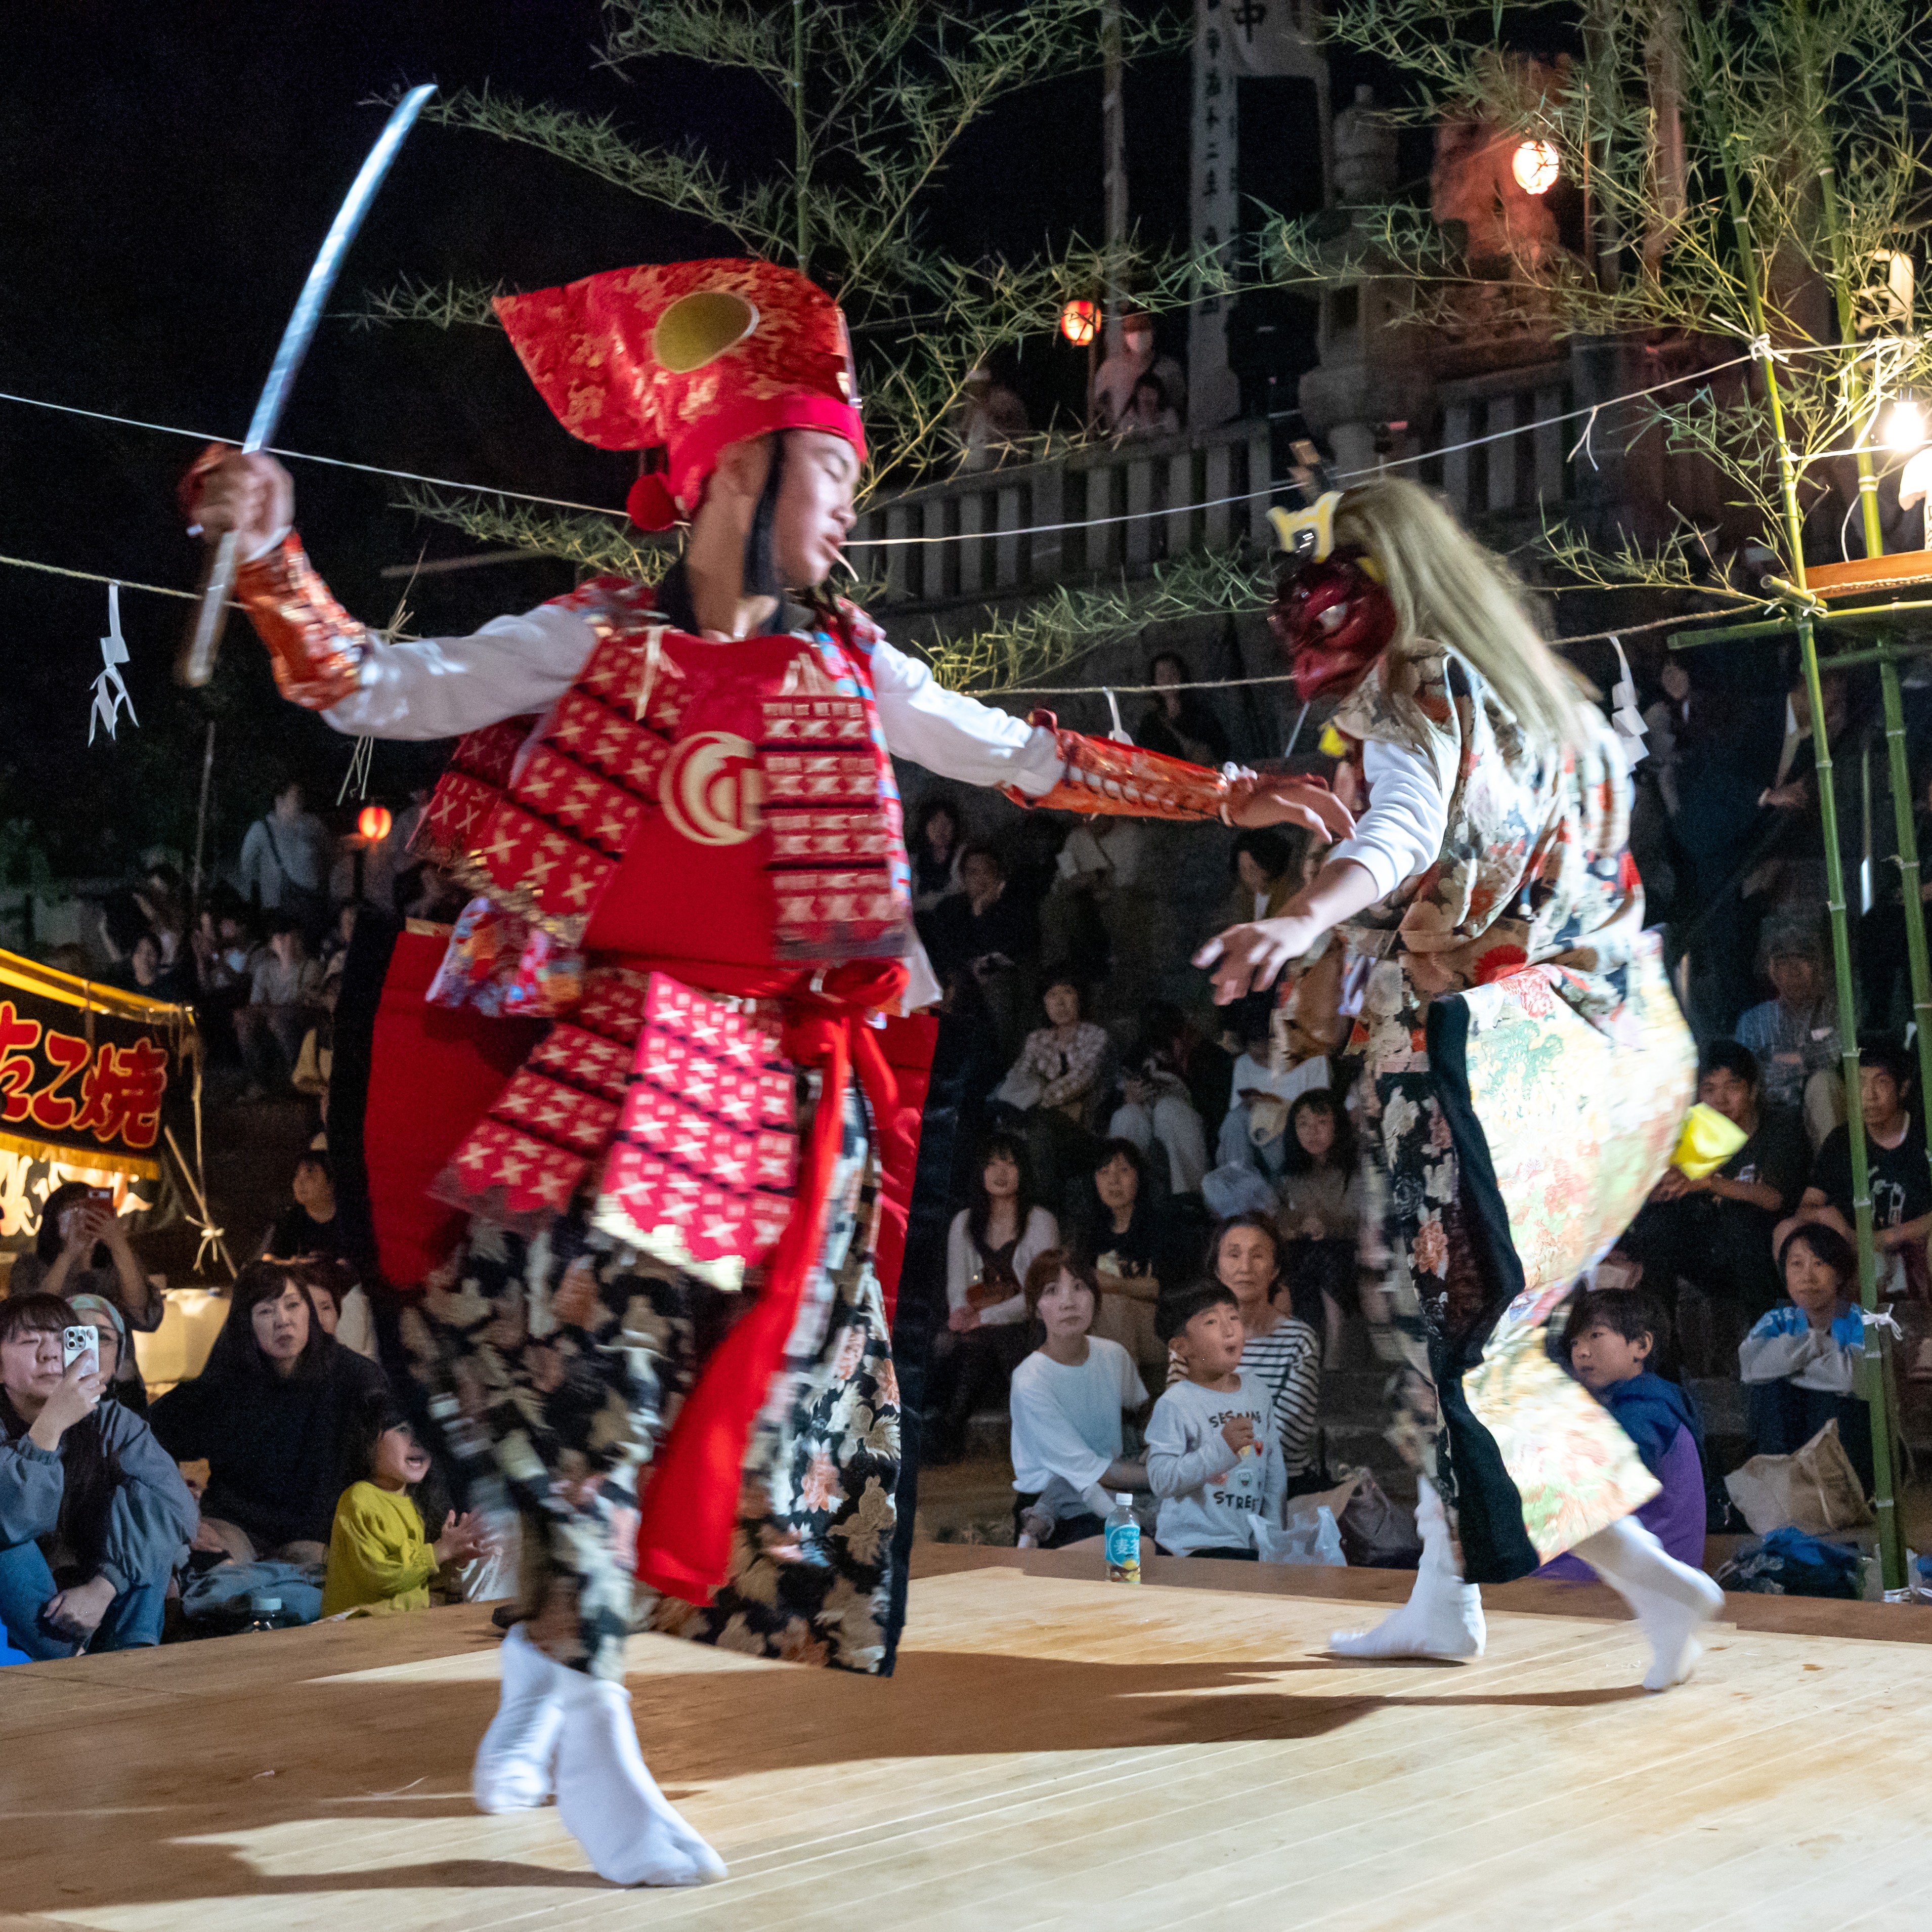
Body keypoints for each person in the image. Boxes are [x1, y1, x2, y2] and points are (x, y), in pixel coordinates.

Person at [184, 253, 1337, 1886]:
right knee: (601, 1390)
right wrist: (268, 549)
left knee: (745, 1431)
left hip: (792, 1100)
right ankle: (591, 1724)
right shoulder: (589, 638)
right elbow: (369, 681)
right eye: (833, 471)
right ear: (737, 468)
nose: (852, 508)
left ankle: (546, 1668)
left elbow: (1026, 757)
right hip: (624, 1072)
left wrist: (1222, 793)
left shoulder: (853, 663)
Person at [1198, 477, 1723, 1690]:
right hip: (1575, 1038)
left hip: (1463, 1058)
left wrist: (1304, 915)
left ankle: (1649, 1577)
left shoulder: (1416, 695)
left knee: (1460, 1350)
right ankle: (1447, 1591)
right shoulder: (1541, 699)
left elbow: (1400, 828)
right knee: (1445, 1340)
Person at [148, 1260, 388, 1565]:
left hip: (322, 1532)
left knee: (313, 1565)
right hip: (237, 1526)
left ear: (309, 1312)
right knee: (208, 1563)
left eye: (293, 1305)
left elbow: (396, 1446)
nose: (283, 1321)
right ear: (246, 1322)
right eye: (266, 1311)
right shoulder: (224, 1382)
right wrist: (181, 1511)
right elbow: (145, 1439)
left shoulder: (355, 1377)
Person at [0, 1293, 198, 1657]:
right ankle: (71, 1658)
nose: (50, 1354)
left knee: (149, 1510)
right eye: (29, 1341)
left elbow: (177, 1508)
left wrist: (104, 1587)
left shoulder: (112, 1421)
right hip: (30, 1606)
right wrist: (50, 1427)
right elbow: (13, 1520)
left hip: (103, 1588)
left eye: (63, 1339)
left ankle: (132, 1657)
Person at [1619, 1040, 1809, 1372]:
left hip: (1763, 1255)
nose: (1720, 1100)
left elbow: (1774, 1198)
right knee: (1658, 1227)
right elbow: (1661, 1196)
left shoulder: (1778, 1127)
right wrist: (1660, 1186)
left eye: (1731, 1087)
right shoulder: (1696, 1134)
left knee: (1740, 1218)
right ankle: (1663, 1356)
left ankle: (1766, 1352)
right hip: (1712, 1256)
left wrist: (1711, 1182)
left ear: (1752, 1090)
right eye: (1709, 1089)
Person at [1540, 1287, 1708, 1578]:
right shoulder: (1654, 1400)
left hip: (1648, 1574)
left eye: (1596, 1335)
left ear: (1641, 1346)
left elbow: (1597, 1488)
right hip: (1658, 1567)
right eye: (1575, 1342)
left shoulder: (1645, 1410)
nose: (1581, 1351)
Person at [929, 1136, 1060, 1461]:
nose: (1001, 1172)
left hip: (1029, 1322)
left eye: (1011, 1164)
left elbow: (1039, 1294)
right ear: (980, 1172)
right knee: (971, 1342)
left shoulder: (1041, 1221)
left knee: (998, 1338)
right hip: (980, 1326)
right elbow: (957, 1286)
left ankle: (951, 1428)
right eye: (992, 1164)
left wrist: (983, 1318)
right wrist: (961, 1313)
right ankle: (1028, 1434)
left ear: (1024, 1172)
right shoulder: (963, 1222)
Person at [1010, 1251, 1148, 1549]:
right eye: (1052, 1291)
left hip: (1113, 1488)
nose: (1068, 1302)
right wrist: (1168, 1475)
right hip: (1051, 1505)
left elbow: (1141, 1410)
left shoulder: (1113, 1355)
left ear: (1095, 1298)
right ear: (1036, 1309)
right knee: (1137, 1550)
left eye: (1079, 1287)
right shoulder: (1030, 1380)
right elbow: (1090, 1472)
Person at [1776, 1040, 1932, 1302]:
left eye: (1881, 1083)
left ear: (1903, 1088)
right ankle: (1817, 1322)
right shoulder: (1841, 1141)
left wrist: (1885, 1238)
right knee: (1787, 1229)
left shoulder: (1924, 1135)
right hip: (1858, 1251)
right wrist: (1830, 1218)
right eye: (1860, 1083)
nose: (1869, 1095)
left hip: (1915, 1247)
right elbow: (1807, 1207)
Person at [1146, 1282, 1286, 1558]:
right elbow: (1161, 1479)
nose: (1229, 1329)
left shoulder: (1257, 1391)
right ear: (1182, 1346)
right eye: (1211, 1321)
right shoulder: (1176, 1403)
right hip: (1191, 1549)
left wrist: (1272, 1540)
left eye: (1234, 1317)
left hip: (1245, 1546)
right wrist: (1222, 1450)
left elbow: (1274, 1471)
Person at [321, 1390, 486, 1617]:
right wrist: (440, 1551)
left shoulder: (413, 1504)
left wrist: (454, 1559)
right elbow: (382, 1578)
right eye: (403, 1430)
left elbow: (413, 1582)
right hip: (356, 1630)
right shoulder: (359, 1498)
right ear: (367, 1441)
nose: (418, 1440)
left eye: (423, 1431)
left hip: (400, 1628)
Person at [1740, 1225, 1873, 1491]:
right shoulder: (1777, 1320)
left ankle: (1830, 1487)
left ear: (1839, 1274)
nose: (1807, 1277)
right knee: (1769, 1390)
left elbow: (1849, 1379)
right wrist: (1817, 1345)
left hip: (1847, 1453)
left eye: (1820, 1263)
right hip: (1790, 1440)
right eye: (1797, 1264)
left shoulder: (1859, 1320)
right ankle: (1781, 1482)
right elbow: (1751, 1369)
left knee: (1823, 1394)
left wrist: (1788, 1363)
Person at [1197, 1213, 1323, 1488]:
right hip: (1210, 1482)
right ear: (1217, 1268)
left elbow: (1285, 1437)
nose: (1245, 1267)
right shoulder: (1196, 1341)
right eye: (1233, 1255)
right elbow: (1183, 1425)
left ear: (1275, 1269)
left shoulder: (1298, 1341)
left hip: (1280, 1485)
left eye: (1258, 1256)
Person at [9, 1184, 165, 1366]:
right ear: (54, 1219)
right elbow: (30, 1321)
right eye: (73, 1210)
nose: (82, 1218)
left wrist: (118, 1244)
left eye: (89, 1209)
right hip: (51, 1368)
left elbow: (144, 1317)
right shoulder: (29, 1265)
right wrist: (68, 1255)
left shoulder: (117, 1263)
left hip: (116, 1374)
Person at [994, 974, 1112, 1203]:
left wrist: (1040, 1101)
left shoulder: (1096, 1036)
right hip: (1038, 1123)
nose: (1060, 1002)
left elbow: (1082, 1079)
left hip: (1083, 1128)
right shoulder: (1037, 1039)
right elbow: (1018, 1078)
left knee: (1040, 1128)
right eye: (1052, 995)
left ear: (1080, 998)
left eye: (1067, 992)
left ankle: (1045, 1210)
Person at [1276, 1090, 1364, 1370]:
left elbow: (1358, 1220)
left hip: (1347, 1249)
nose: (1312, 1132)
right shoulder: (1291, 1174)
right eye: (1303, 1124)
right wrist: (1299, 1225)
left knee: (1326, 1255)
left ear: (1338, 1125)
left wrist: (1327, 1225)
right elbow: (1280, 1219)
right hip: (1305, 1249)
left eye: (1322, 1122)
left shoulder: (1354, 1168)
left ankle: (1336, 1343)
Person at [1074, 1139, 1171, 1381]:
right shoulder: (1090, 1231)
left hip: (1159, 1329)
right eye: (1104, 1172)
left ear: (1140, 1177)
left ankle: (1126, 1393)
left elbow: (1165, 1288)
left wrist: (1114, 1285)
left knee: (1111, 1303)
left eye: (1124, 1171)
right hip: (1105, 1327)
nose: (1113, 1181)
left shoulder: (1161, 1224)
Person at [1734, 930, 1843, 1145]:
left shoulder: (1834, 1012)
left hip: (1820, 1111)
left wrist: (1773, 1058)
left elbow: (1835, 1057)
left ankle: (1831, 1163)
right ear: (1773, 971)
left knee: (1822, 1084)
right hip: (1769, 1115)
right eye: (1784, 963)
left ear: (1815, 968)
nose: (1794, 971)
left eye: (1802, 961)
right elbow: (1743, 1073)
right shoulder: (1753, 1021)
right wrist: (1807, 1058)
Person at [1106, 1013, 1211, 1198]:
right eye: (1158, 1047)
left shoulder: (1206, 1055)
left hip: (1183, 1113)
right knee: (1127, 1116)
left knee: (1168, 1110)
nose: (1163, 1052)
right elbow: (1110, 1104)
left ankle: (1190, 1201)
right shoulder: (1137, 1054)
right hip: (1144, 1111)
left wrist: (1179, 1092)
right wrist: (1128, 1097)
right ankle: (1124, 1203)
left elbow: (1213, 1106)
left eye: (1171, 1040)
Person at [233, 915, 323, 1097]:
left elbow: (303, 1007)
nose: (284, 942)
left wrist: (271, 1008)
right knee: (243, 1020)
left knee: (278, 1021)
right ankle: (259, 1081)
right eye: (279, 937)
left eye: (289, 937)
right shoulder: (265, 969)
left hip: (300, 1026)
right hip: (271, 1021)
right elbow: (255, 1005)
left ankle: (297, 1079)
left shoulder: (311, 967)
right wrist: (270, 1009)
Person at [237, 780, 332, 939]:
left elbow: (328, 856)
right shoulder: (261, 830)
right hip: (277, 909)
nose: (301, 801)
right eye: (296, 796)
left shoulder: (313, 825)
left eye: (302, 796)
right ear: (279, 800)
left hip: (311, 907)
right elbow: (247, 866)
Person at [1135, 652, 1231, 769]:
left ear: (1182, 676)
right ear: (1154, 682)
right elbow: (1143, 758)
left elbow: (1222, 748)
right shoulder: (1150, 723)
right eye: (1161, 675)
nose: (1168, 681)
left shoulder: (1201, 714)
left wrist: (1208, 755)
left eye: (1173, 674)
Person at [267, 1150, 344, 1263]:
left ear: (331, 1184)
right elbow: (269, 1259)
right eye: (296, 1175)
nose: (299, 1182)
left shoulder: (351, 1216)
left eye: (310, 1174)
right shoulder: (292, 1218)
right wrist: (295, 1265)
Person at [909, 796, 967, 914]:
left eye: (947, 823)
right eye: (934, 822)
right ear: (925, 826)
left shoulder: (965, 856)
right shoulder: (912, 861)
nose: (941, 829)